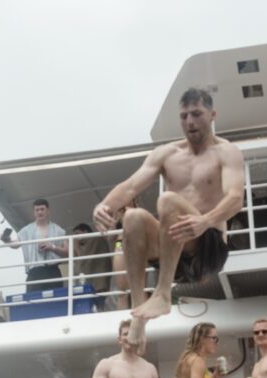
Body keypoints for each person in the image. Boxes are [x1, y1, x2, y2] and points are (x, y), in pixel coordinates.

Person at [93, 87, 244, 347]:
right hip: (174, 250)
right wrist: (104, 206)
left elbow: (235, 198)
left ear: (212, 115)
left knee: (167, 200)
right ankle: (139, 314)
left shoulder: (227, 152)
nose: (190, 122)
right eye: (184, 116)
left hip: (208, 247)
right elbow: (130, 187)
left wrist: (205, 221)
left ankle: (163, 293)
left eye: (197, 114)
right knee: (133, 217)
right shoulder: (166, 154)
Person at [1, 198, 68, 292]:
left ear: (48, 210)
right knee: (33, 301)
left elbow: (67, 252)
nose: (39, 212)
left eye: (42, 209)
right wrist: (6, 240)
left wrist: (52, 247)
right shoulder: (26, 230)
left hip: (53, 270)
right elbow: (16, 244)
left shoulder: (58, 229)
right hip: (35, 272)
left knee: (55, 302)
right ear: (34, 212)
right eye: (37, 210)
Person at [71, 222, 111, 294]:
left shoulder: (94, 239)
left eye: (77, 233)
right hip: (98, 280)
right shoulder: (88, 242)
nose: (75, 237)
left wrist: (76, 246)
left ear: (85, 232)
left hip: (98, 280)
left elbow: (83, 258)